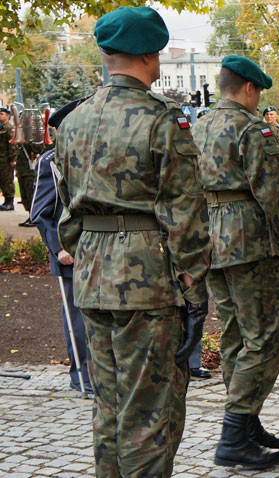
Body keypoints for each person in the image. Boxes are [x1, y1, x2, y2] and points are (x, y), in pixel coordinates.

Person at [55, 7, 212, 476]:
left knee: (109, 408)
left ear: (106, 53)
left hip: (92, 278)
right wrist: (193, 286)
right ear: (152, 53)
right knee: (148, 412)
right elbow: (185, 212)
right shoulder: (162, 120)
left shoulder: (73, 121)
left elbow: (67, 212)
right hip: (147, 282)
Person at [193, 55, 279, 469]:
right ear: (248, 88)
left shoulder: (198, 125)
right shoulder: (252, 128)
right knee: (265, 335)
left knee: (234, 336)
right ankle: (234, 434)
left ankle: (247, 424)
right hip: (248, 241)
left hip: (211, 240)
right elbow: (274, 192)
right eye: (259, 91)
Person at [30, 99, 93, 396]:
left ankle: (106, 374)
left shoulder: (95, 155)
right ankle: (82, 375)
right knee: (78, 317)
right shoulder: (50, 161)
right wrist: (58, 249)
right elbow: (40, 212)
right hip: (69, 251)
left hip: (100, 247)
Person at [0, 107, 17, 211]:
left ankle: (10, 203)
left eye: (1, 113)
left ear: (8, 116)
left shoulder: (9, 128)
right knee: (2, 180)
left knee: (7, 180)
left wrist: (12, 159)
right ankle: (5, 201)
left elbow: (12, 145)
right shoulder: (1, 128)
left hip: (6, 160)